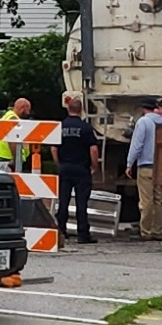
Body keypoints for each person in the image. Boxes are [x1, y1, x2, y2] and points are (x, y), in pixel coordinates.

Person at [55, 94, 100, 245]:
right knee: (81, 202)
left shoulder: (60, 126)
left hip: (65, 167)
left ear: (68, 109)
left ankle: (60, 231)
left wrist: (59, 163)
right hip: (81, 168)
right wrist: (94, 165)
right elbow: (93, 149)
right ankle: (83, 234)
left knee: (63, 200)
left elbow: (54, 148)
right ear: (81, 110)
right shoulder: (86, 128)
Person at [125, 97, 162, 239]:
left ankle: (146, 231)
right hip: (160, 167)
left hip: (146, 165)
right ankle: (158, 229)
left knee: (146, 200)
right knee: (159, 200)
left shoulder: (143, 122)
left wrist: (129, 163)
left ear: (143, 109)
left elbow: (137, 145)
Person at [0, 95, 34, 175]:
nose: (28, 113)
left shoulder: (8, 116)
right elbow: (12, 142)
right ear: (22, 108)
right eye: (28, 110)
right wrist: (16, 160)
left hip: (3, 160)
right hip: (7, 161)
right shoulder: (13, 119)